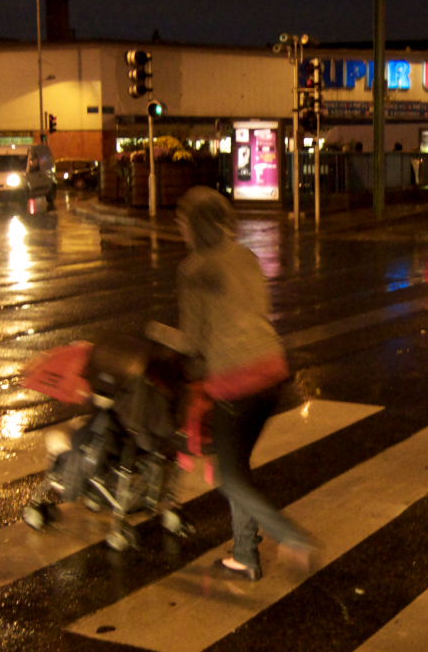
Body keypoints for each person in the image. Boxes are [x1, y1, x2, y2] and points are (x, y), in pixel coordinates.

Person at [176, 186, 318, 580]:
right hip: (272, 371)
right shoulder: (247, 256)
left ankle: (289, 537)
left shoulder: (193, 269)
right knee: (235, 468)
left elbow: (193, 340)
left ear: (194, 226)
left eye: (182, 220)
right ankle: (244, 555)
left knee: (228, 475)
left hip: (234, 381)